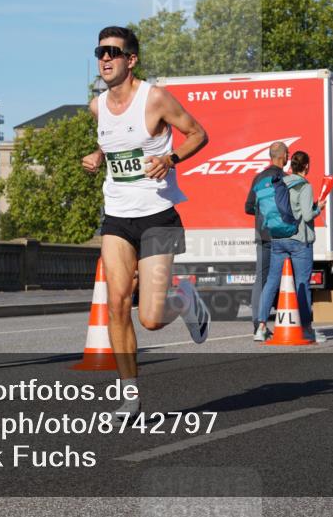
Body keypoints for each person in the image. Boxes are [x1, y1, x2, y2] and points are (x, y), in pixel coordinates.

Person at [81, 25, 209, 420]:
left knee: (151, 319)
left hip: (157, 213)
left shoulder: (154, 99)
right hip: (117, 215)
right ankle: (130, 397)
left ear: (130, 60)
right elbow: (114, 138)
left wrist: (171, 159)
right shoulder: (96, 106)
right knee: (116, 306)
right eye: (100, 51)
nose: (105, 58)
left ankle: (184, 298)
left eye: (113, 52)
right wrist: (99, 155)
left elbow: (198, 133)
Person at [255, 151, 327, 342]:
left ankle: (261, 326)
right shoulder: (304, 186)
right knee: (302, 283)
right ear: (307, 166)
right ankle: (306, 329)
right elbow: (307, 214)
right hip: (299, 241)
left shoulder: (281, 182)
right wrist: (319, 207)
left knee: (272, 282)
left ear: (291, 166)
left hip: (278, 238)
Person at [244, 141, 289, 337]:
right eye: (287, 154)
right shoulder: (285, 178)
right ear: (284, 156)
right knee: (285, 277)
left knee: (261, 279)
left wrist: (263, 214)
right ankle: (294, 322)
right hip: (282, 235)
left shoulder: (259, 178)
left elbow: (248, 207)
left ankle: (258, 324)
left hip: (262, 234)